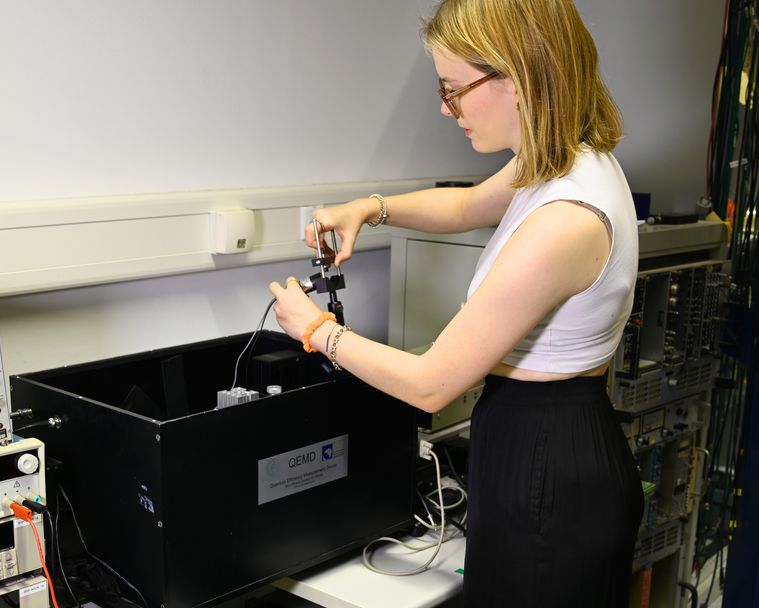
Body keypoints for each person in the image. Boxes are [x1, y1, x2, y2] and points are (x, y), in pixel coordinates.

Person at [269, 0, 644, 605]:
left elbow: (430, 385)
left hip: (548, 462)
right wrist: (371, 207)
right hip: (540, 442)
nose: (446, 109)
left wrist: (315, 331)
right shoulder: (561, 161)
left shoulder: (566, 221)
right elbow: (467, 206)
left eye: (453, 90)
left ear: (517, 78)